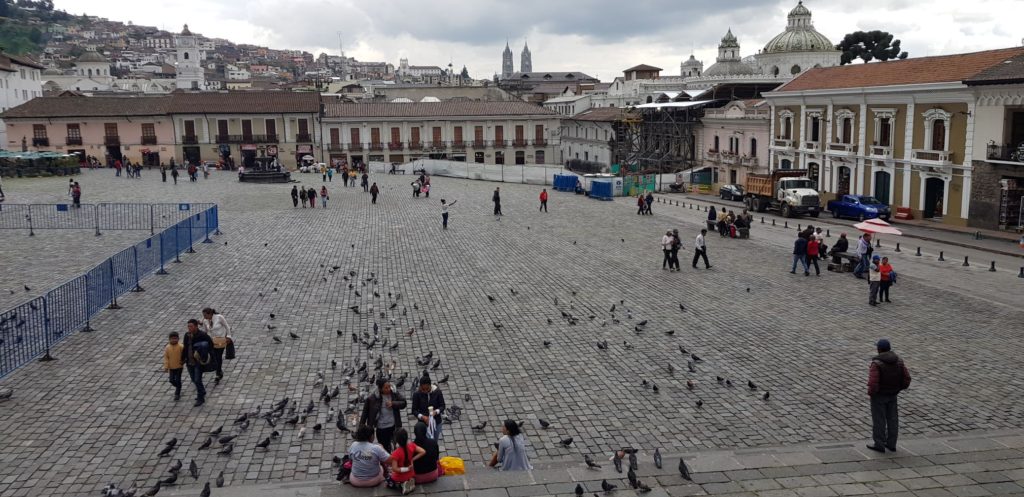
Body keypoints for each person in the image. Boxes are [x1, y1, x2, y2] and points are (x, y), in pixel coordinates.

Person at [866, 339, 912, 452]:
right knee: (893, 419)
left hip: (879, 396)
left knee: (879, 420)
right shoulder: (899, 361)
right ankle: (891, 443)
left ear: (879, 349)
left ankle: (879, 444)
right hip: (893, 394)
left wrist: (872, 393)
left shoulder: (876, 363)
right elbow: (906, 378)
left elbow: (873, 383)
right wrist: (898, 389)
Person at [359, 378, 407, 452]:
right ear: (380, 389)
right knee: (384, 448)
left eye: (389, 386)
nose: (389, 389)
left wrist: (393, 403)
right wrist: (362, 428)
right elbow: (365, 413)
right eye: (386, 388)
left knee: (396, 446)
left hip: (394, 425)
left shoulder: (394, 393)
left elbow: (404, 403)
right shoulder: (372, 398)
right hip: (381, 428)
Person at [183, 318, 213, 407]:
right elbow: (185, 347)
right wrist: (183, 358)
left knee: (197, 379)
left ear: (196, 326)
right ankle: (202, 391)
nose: (189, 328)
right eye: (188, 326)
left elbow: (210, 345)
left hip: (198, 362)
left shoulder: (202, 335)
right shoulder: (187, 335)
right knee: (193, 379)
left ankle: (200, 398)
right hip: (189, 361)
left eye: (191, 326)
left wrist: (202, 353)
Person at [387, 428, 425, 494]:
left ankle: (401, 485)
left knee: (388, 480)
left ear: (396, 440)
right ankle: (408, 482)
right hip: (411, 473)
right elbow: (423, 451)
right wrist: (413, 459)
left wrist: (406, 469)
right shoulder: (412, 445)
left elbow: (395, 469)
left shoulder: (396, 453)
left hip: (399, 477)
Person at [411, 373, 446, 440]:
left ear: (430, 385)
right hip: (423, 424)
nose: (425, 391)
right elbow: (414, 410)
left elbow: (442, 406)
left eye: (427, 389)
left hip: (436, 422)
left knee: (434, 442)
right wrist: (422, 417)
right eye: (423, 389)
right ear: (420, 387)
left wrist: (436, 411)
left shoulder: (437, 392)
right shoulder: (417, 394)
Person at [201, 308, 231, 384]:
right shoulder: (205, 321)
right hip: (211, 341)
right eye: (203, 315)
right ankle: (219, 370)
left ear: (210, 314)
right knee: (214, 356)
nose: (204, 317)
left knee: (218, 356)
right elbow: (205, 331)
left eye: (205, 315)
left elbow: (227, 326)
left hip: (221, 340)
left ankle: (218, 373)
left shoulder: (219, 317)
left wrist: (229, 336)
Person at [163, 331, 184, 401]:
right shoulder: (167, 348)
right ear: (169, 339)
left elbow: (184, 355)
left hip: (179, 367)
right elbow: (166, 357)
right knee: (171, 380)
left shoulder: (181, 346)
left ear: (178, 339)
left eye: (175, 338)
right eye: (172, 339)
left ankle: (177, 393)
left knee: (178, 379)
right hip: (171, 367)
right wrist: (166, 367)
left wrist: (183, 361)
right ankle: (179, 386)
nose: (174, 340)